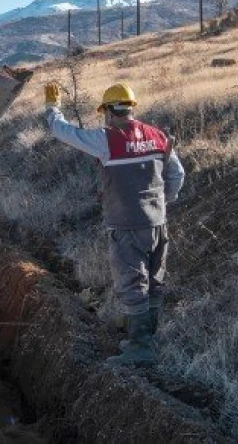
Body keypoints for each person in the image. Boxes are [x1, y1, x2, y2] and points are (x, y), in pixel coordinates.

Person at [44, 82, 185, 365]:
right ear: (131, 108)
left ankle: (140, 348)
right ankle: (149, 339)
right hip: (158, 223)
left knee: (132, 284)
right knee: (154, 281)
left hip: (127, 225)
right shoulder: (157, 136)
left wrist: (52, 109)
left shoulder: (108, 139)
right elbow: (177, 174)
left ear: (109, 111)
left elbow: (65, 133)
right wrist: (161, 202)